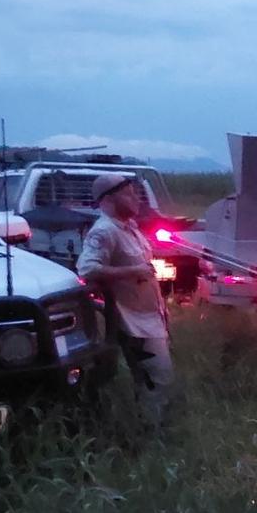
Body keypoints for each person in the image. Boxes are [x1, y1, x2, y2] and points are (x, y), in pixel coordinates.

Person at [77, 174, 174, 429]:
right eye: (129, 193)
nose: (137, 198)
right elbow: (87, 269)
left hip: (149, 316)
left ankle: (146, 425)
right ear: (109, 199)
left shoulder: (129, 228)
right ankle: (151, 433)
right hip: (133, 321)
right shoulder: (105, 231)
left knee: (150, 378)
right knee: (157, 376)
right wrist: (133, 272)